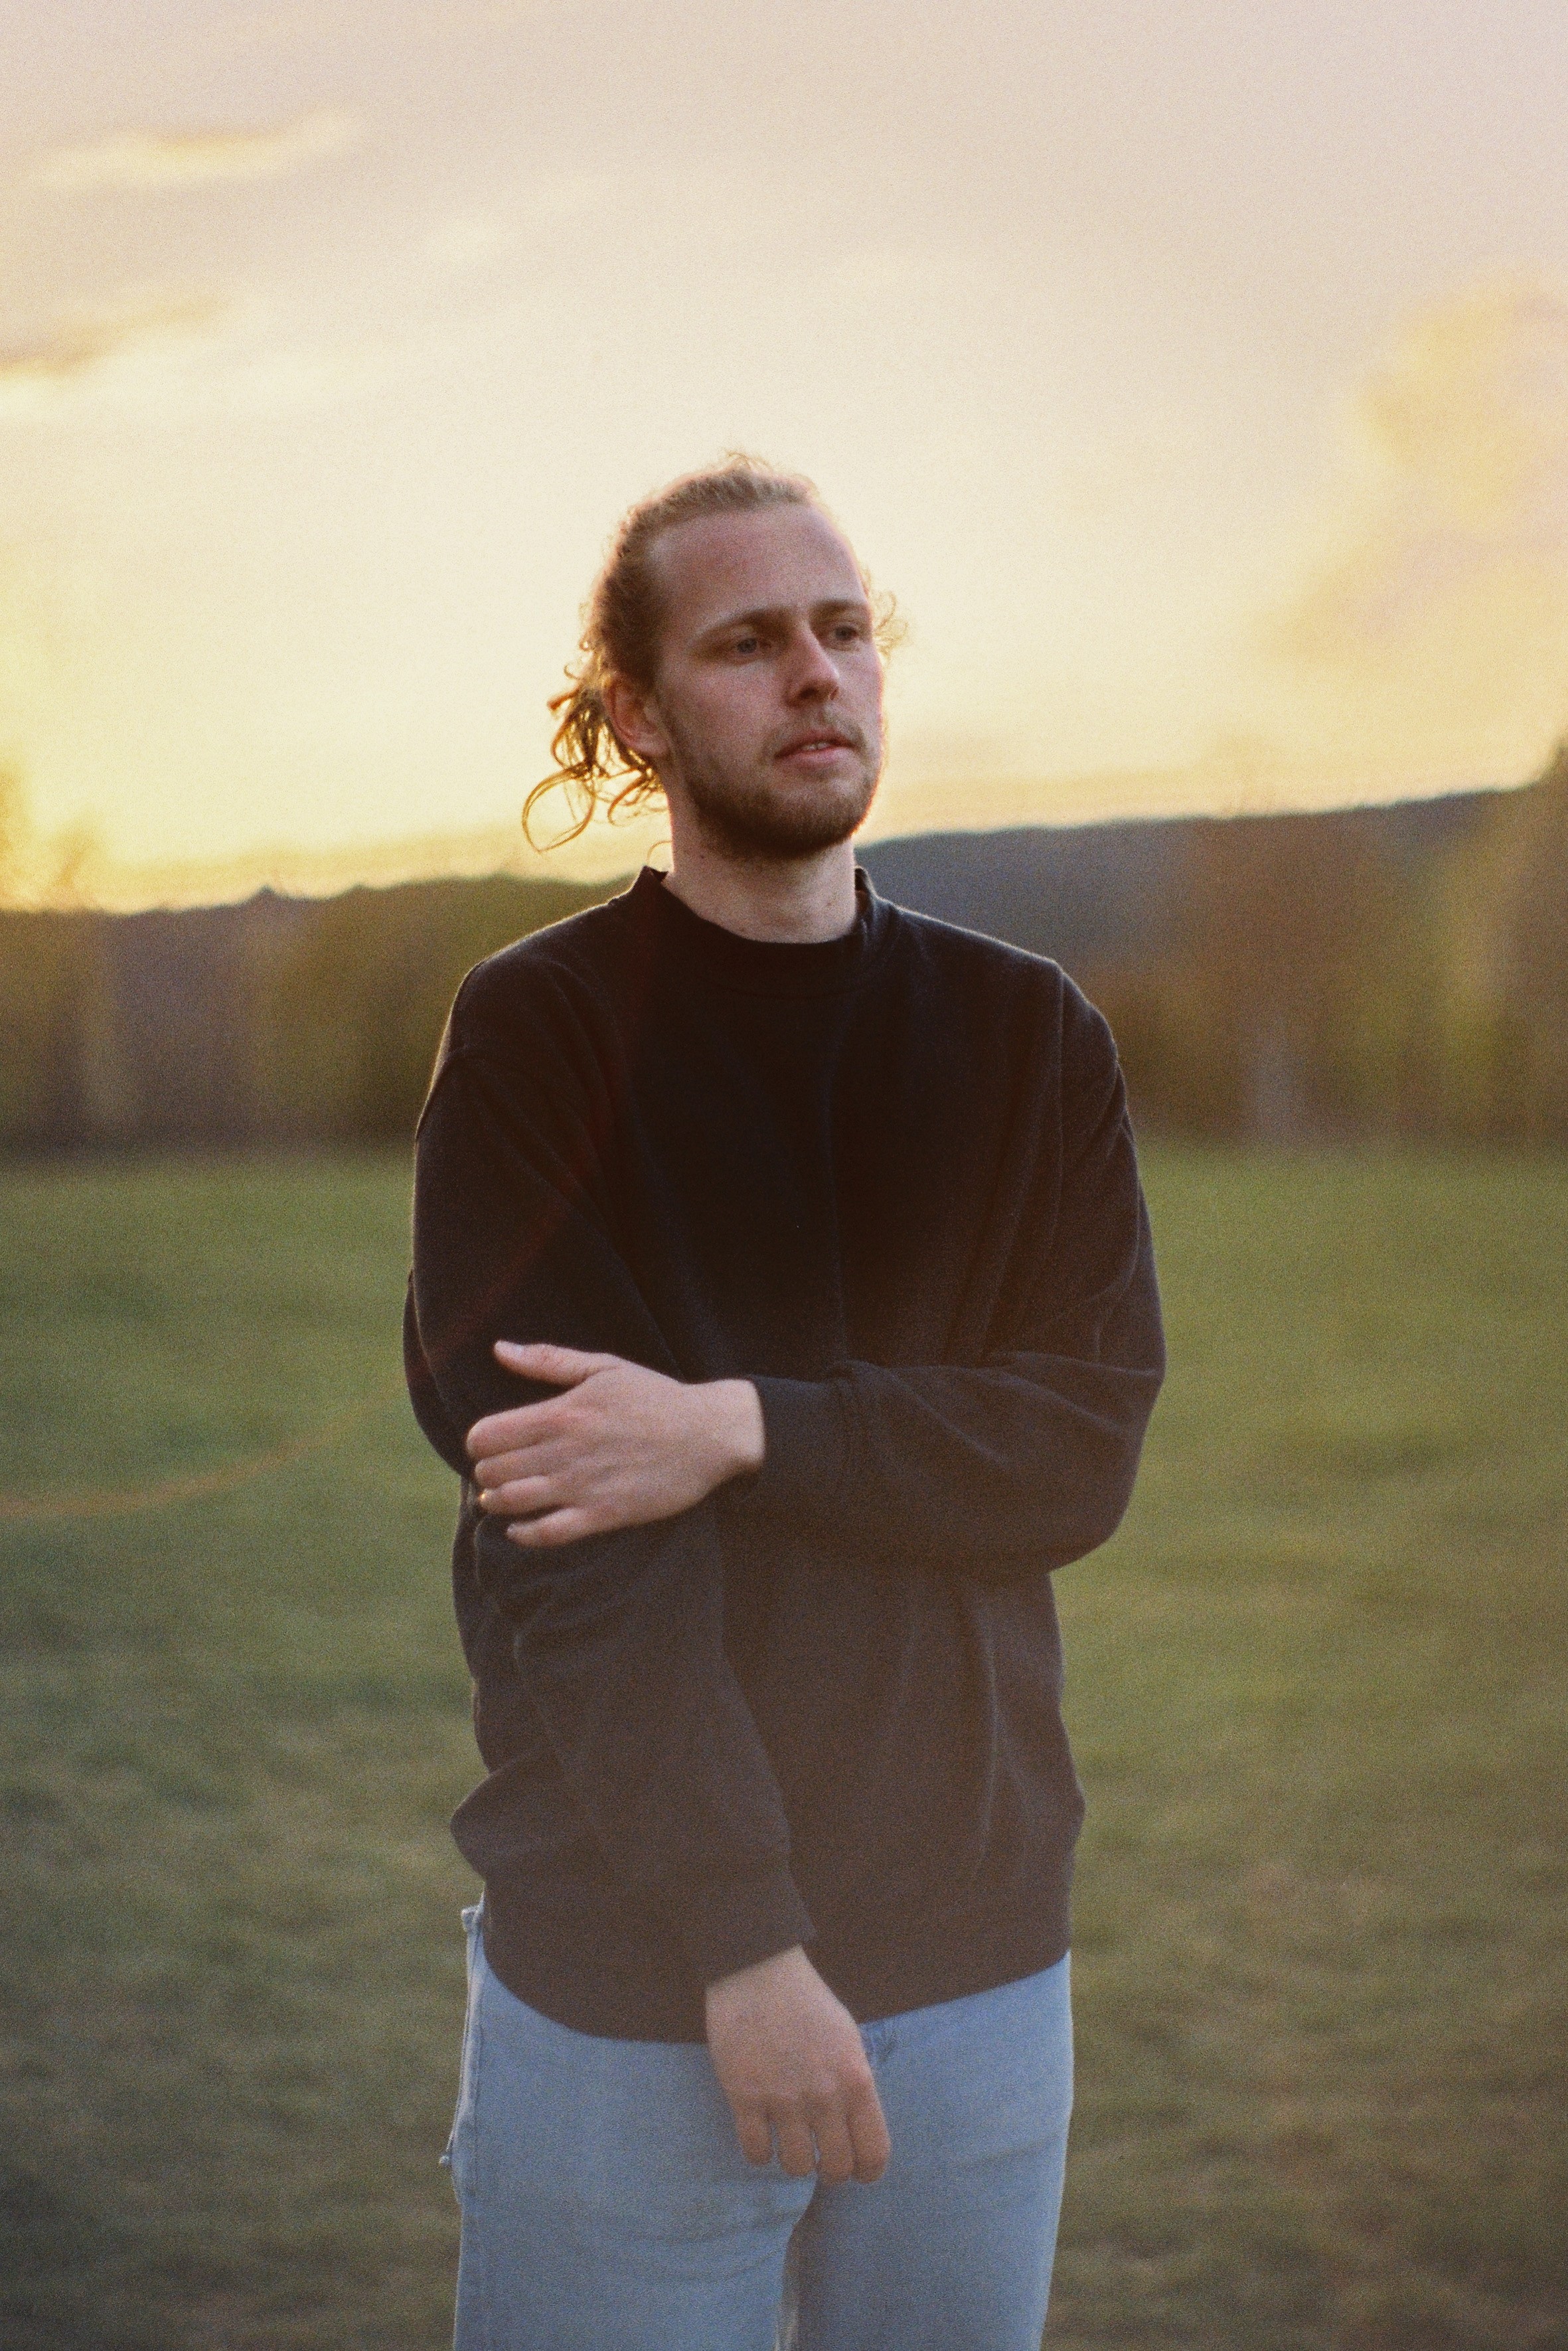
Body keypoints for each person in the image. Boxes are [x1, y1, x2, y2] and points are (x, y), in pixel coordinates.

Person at [404, 456, 1165, 2351]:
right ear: (638, 716)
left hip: (976, 1952)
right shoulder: (542, 1035)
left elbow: (1070, 1449)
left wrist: (738, 1425)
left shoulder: (1023, 1034)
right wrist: (744, 1947)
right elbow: (567, 1539)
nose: (816, 674)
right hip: (638, 1981)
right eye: (748, 643)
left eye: (843, 630)